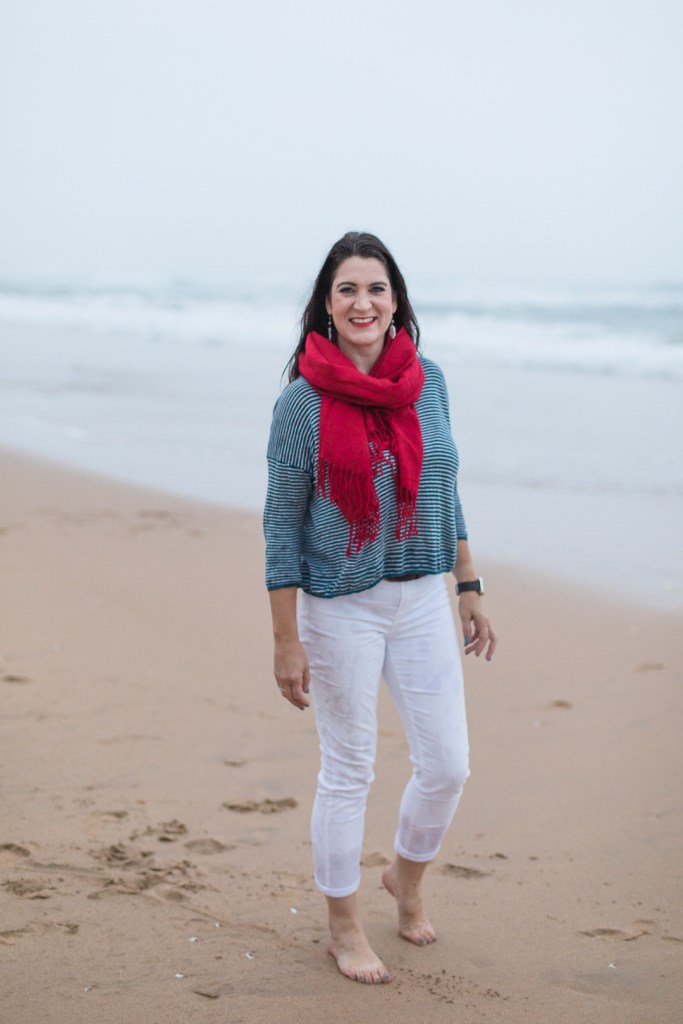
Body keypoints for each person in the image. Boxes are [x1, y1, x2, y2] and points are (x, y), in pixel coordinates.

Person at [264, 231, 496, 985]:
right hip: (340, 608)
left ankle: (407, 877)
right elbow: (281, 523)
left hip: (424, 596)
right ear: (326, 308)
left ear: (395, 301)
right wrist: (285, 640)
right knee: (349, 770)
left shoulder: (428, 382)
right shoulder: (300, 404)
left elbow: (445, 484)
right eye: (346, 290)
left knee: (447, 766)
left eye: (375, 288)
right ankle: (342, 926)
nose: (362, 303)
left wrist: (468, 584)